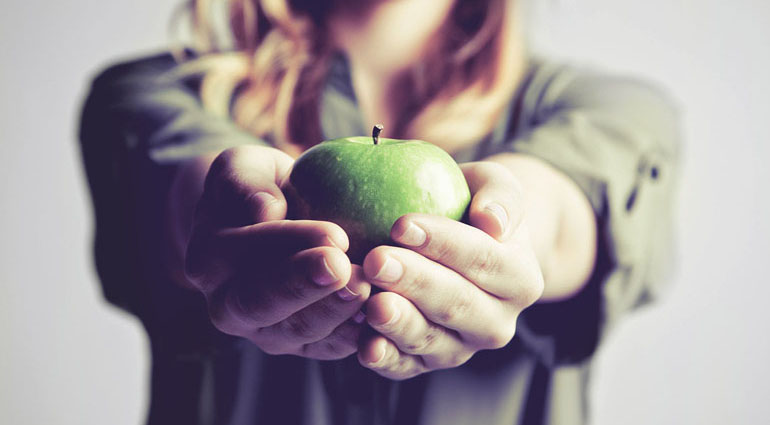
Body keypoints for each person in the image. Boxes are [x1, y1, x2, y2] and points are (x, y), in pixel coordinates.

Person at [79, 0, 680, 424]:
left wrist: (512, 228)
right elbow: (185, 195)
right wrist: (230, 210)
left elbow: (562, 209)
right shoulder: (151, 93)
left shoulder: (614, 109)